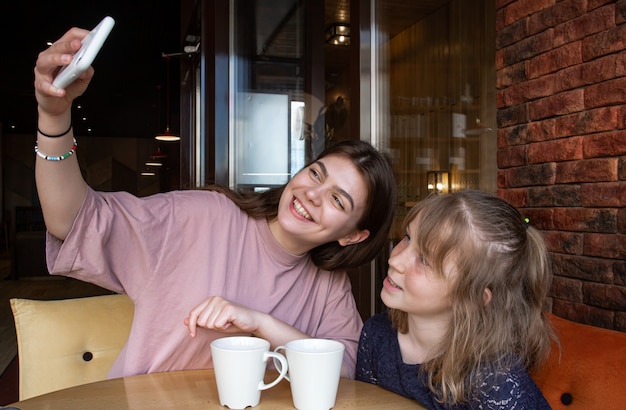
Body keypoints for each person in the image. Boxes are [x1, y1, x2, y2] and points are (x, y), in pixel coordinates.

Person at [33, 26, 397, 379]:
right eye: (316, 174)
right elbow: (71, 220)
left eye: (337, 199)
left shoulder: (327, 284)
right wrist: (53, 116)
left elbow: (346, 371)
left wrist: (262, 323)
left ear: (353, 236)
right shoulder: (202, 217)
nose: (312, 194)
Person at [356, 190, 555, 408]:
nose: (396, 260)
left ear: (472, 298)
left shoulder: (495, 382)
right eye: (408, 238)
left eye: (423, 259)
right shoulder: (376, 335)